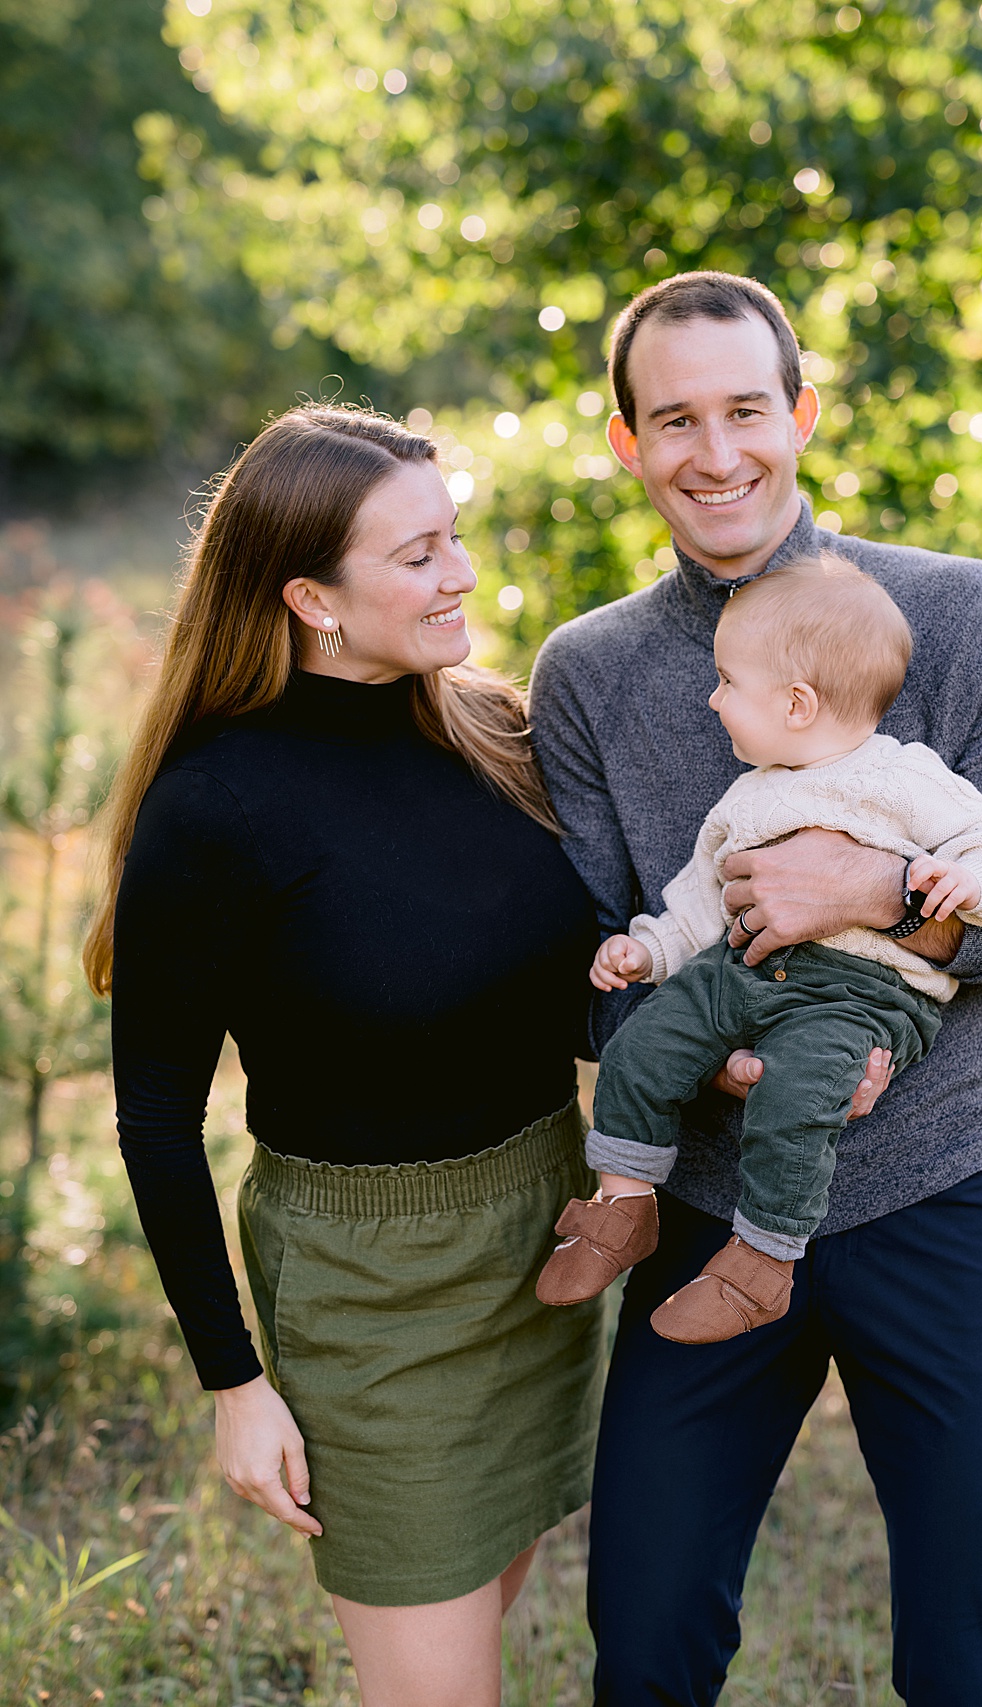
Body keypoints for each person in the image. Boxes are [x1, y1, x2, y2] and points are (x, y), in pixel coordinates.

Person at [528, 272, 982, 1704]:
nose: (715, 453)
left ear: (800, 414)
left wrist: (870, 896)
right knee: (648, 1632)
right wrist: (724, 1063)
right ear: (626, 443)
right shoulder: (589, 672)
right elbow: (593, 965)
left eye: (744, 410)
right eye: (675, 419)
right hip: (710, 1206)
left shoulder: (956, 615)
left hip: (946, 1195)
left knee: (973, 1656)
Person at [84, 405, 605, 1707]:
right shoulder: (216, 806)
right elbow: (154, 1111)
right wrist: (233, 1379)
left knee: (477, 1629)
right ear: (312, 596)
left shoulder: (494, 730)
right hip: (368, 1292)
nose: (464, 572)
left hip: (543, 1247)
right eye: (419, 553)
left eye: (457, 536)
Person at [536, 552, 982, 1345]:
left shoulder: (902, 778)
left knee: (796, 1098)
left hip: (862, 989)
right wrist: (649, 951)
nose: (713, 698)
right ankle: (623, 1204)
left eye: (729, 682)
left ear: (798, 702)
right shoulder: (750, 793)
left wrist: (961, 878)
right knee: (643, 1045)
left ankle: (761, 1262)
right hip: (737, 966)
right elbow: (702, 899)